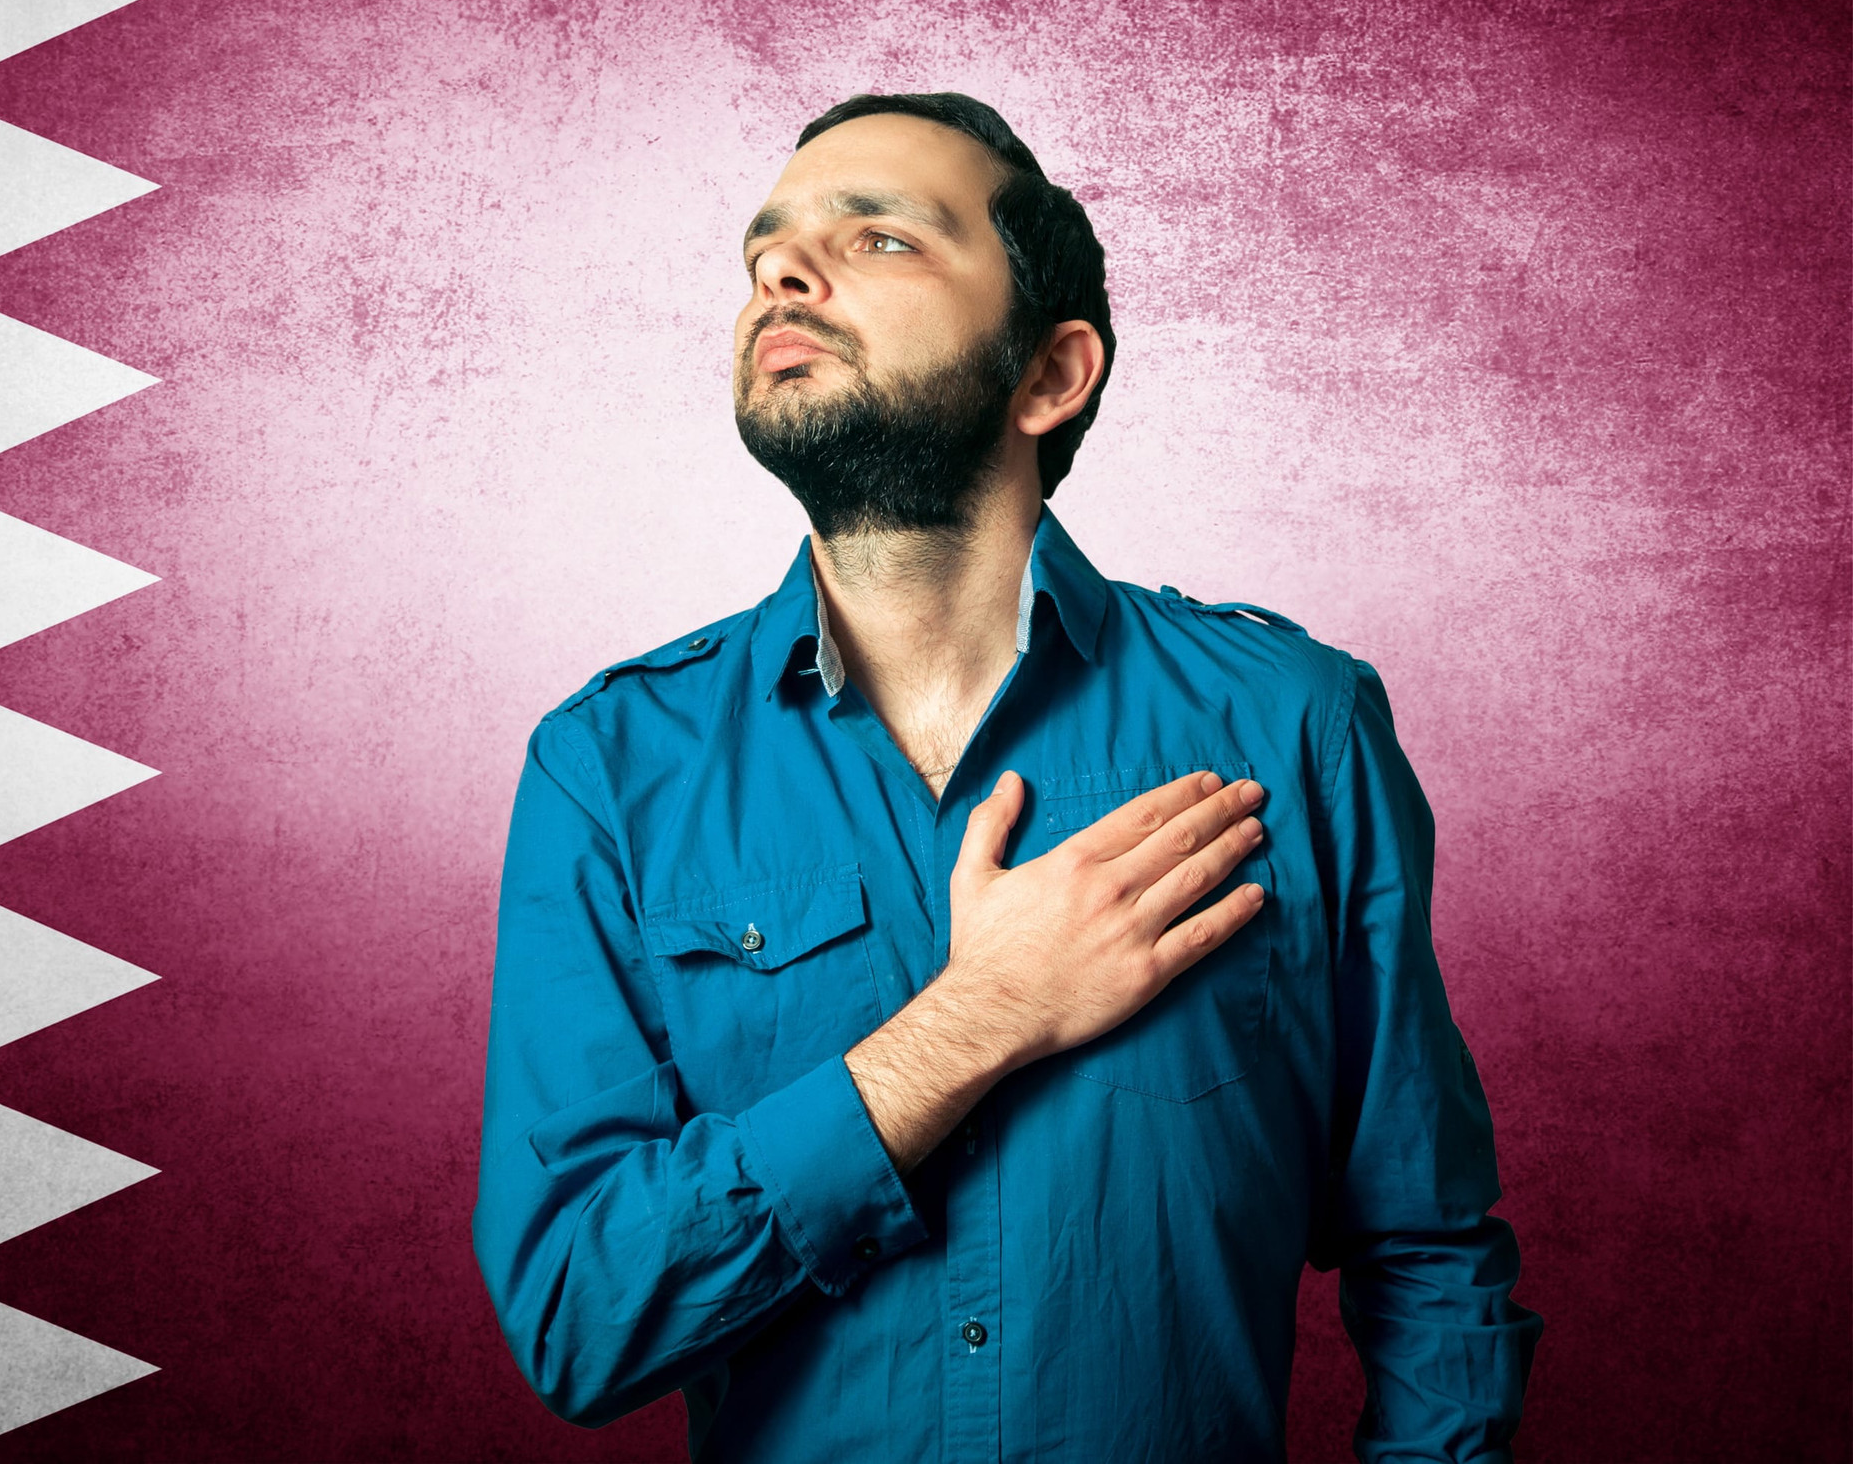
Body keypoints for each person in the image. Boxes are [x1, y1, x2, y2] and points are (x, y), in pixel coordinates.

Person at [471, 93, 1540, 1462]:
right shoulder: (610, 767)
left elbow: (1428, 1247)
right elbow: (579, 1320)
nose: (782, 276)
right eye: (766, 253)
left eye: (882, 240)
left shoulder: (1292, 725)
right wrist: (977, 1019)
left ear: (1048, 375)